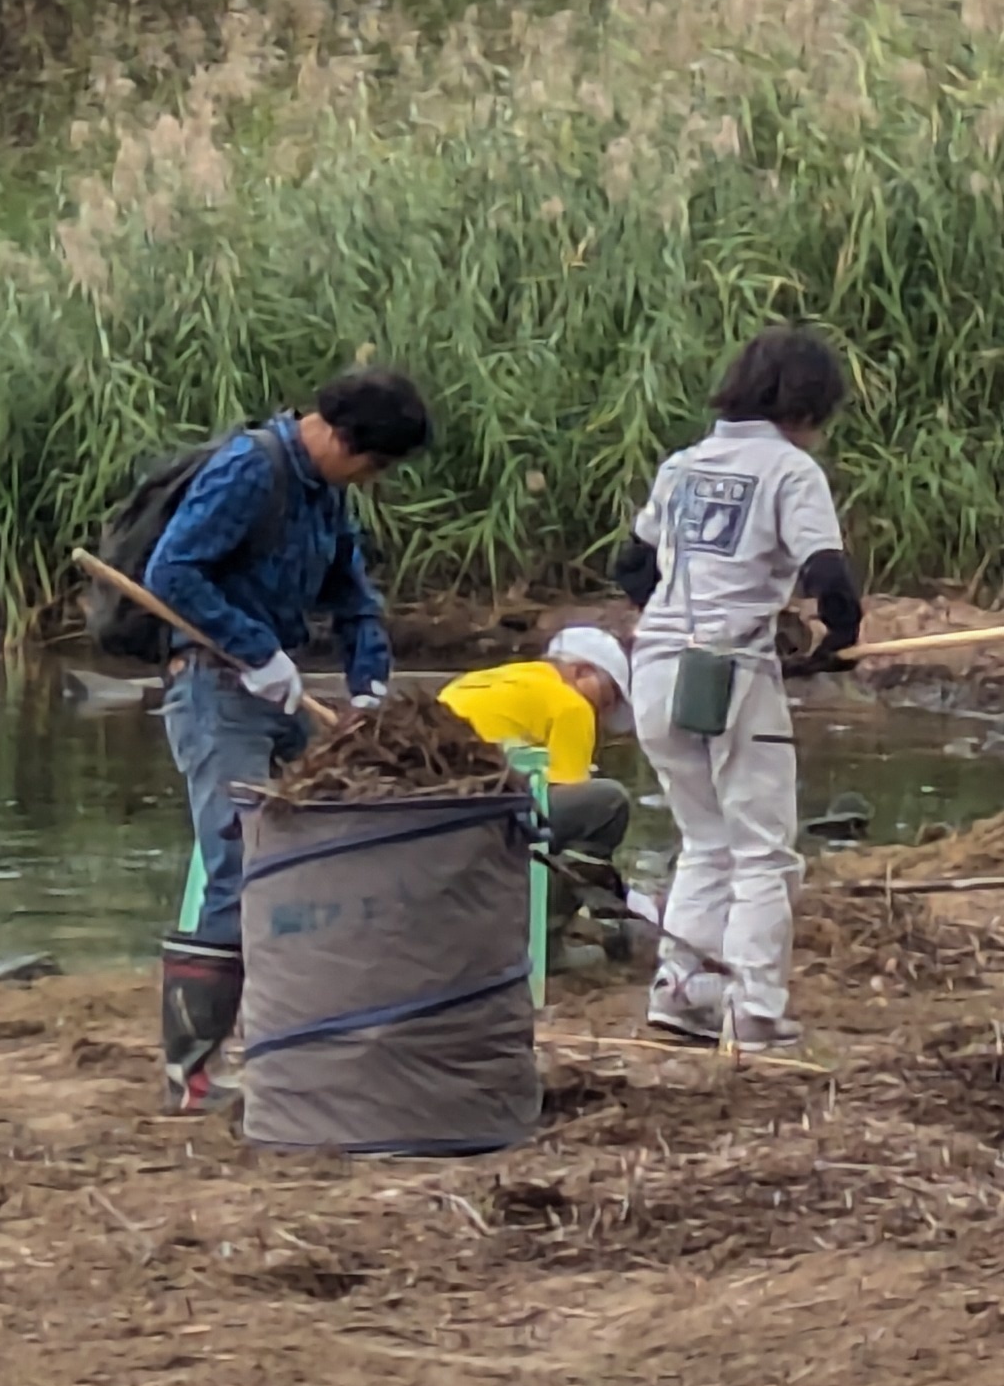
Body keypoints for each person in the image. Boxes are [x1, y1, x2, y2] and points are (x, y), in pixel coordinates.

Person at [147, 367, 434, 1108]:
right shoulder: (250, 469)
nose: (373, 479)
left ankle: (287, 1039)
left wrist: (369, 684)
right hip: (215, 688)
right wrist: (252, 649)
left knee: (311, 854)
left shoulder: (326, 492)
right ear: (339, 437)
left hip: (277, 692)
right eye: (373, 465)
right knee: (239, 861)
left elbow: (354, 598)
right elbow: (171, 571)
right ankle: (192, 1072)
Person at [617, 329, 866, 1052]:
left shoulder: (684, 465)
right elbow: (831, 581)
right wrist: (831, 644)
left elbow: (632, 568)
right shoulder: (789, 471)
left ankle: (682, 991)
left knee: (703, 839)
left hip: (658, 664)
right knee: (764, 850)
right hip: (733, 671)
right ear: (810, 405)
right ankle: (754, 1008)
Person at [439, 625, 641, 942]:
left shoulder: (481, 680)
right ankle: (544, 937)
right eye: (609, 697)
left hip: (433, 809)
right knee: (607, 804)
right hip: (486, 819)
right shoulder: (572, 705)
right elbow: (565, 795)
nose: (604, 713)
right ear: (582, 671)